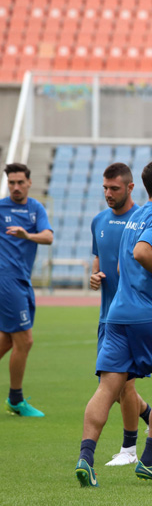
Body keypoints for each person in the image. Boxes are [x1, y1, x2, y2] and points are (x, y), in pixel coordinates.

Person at [76, 157, 152, 487]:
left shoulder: (132, 219)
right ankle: (150, 461)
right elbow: (141, 253)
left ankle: (85, 458)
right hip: (151, 315)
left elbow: (124, 266)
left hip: (116, 315)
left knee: (107, 388)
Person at [90, 163, 152, 466]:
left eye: (114, 188)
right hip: (107, 316)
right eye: (105, 188)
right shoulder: (98, 221)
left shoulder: (142, 220)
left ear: (130, 188)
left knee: (121, 384)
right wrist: (94, 277)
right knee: (114, 387)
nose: (108, 193)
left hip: (132, 316)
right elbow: (98, 259)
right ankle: (150, 415)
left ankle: (129, 450)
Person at [1, 163, 54, 418]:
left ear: (29, 183)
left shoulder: (35, 208)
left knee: (8, 339)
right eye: (11, 183)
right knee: (25, 340)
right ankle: (16, 399)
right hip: (6, 279)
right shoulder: (0, 209)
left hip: (22, 279)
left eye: (20, 182)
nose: (16, 187)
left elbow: (48, 237)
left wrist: (27, 235)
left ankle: (15, 399)